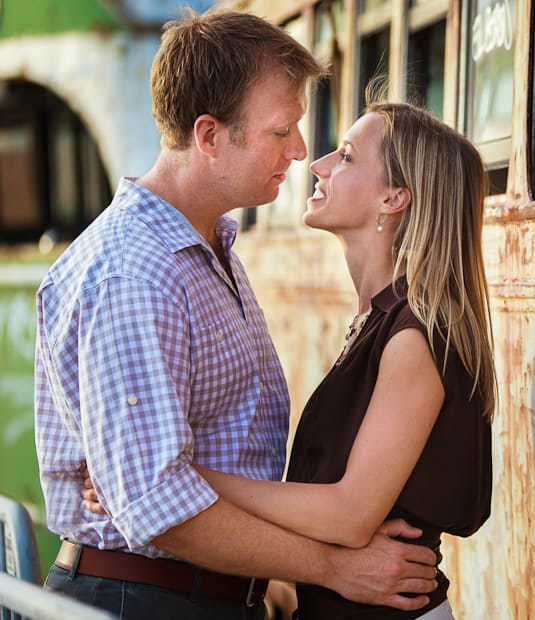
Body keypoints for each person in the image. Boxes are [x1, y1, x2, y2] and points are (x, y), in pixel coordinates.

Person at [34, 10, 438, 619]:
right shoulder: (134, 273)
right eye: (282, 131)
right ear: (209, 135)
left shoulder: (208, 250)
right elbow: (157, 504)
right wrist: (334, 568)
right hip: (139, 603)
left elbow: (187, 474)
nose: (302, 151)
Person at [186, 100, 497, 618]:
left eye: (347, 156)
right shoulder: (376, 324)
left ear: (394, 198)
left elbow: (350, 515)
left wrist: (184, 478)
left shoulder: (414, 340)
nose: (319, 163)